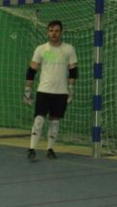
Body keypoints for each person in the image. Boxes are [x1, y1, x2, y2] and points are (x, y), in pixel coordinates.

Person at [23, 20, 78, 161]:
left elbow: (73, 72)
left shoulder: (68, 49)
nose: (54, 33)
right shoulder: (41, 49)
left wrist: (71, 90)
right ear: (47, 32)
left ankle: (50, 149)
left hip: (61, 92)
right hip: (44, 91)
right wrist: (27, 90)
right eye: (51, 30)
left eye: (57, 31)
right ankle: (32, 149)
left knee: (55, 122)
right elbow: (31, 71)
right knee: (39, 120)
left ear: (61, 32)